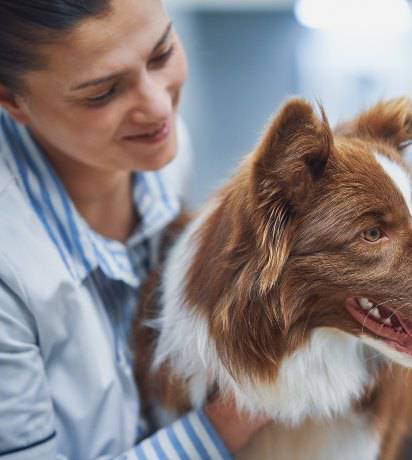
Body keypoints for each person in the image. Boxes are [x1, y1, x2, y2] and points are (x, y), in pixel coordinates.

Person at [0, 1, 268, 458]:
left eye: (161, 54)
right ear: (11, 101)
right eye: (103, 93)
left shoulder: (165, 152)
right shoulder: (12, 268)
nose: (158, 105)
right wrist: (230, 422)